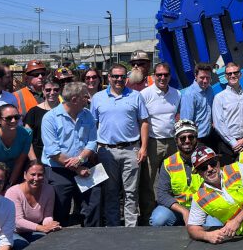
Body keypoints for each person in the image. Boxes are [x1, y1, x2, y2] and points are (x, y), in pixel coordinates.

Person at [90, 63, 149, 227]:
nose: (119, 79)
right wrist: (93, 150)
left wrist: (143, 147)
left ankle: (131, 227)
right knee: (110, 191)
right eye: (115, 76)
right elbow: (92, 125)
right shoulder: (98, 98)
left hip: (131, 149)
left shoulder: (136, 96)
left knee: (131, 192)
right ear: (108, 78)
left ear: (126, 78)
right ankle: (113, 226)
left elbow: (144, 122)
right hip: (106, 151)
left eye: (122, 76)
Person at [41, 82, 100, 227]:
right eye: (85, 97)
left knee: (93, 204)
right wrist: (77, 168)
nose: (88, 99)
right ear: (74, 99)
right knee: (60, 209)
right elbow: (53, 152)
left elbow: (92, 142)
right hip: (58, 170)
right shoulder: (50, 118)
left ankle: (93, 238)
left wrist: (80, 159)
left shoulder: (87, 115)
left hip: (84, 166)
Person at [151, 120, 217, 227]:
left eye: (191, 137)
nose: (187, 141)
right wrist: (184, 212)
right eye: (182, 138)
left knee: (215, 224)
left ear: (196, 139)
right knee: (158, 219)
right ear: (176, 141)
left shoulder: (208, 158)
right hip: (179, 209)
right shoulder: (168, 163)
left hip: (205, 207)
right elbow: (162, 195)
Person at [138, 62, 181, 225]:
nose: (162, 78)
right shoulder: (145, 94)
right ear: (154, 76)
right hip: (152, 142)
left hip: (171, 141)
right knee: (148, 181)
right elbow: (141, 120)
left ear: (170, 76)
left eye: (166, 75)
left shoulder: (176, 94)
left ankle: (170, 210)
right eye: (159, 75)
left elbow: (176, 116)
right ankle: (147, 215)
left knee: (173, 177)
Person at [5, 160, 61, 249]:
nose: (36, 178)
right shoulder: (13, 192)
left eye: (40, 175)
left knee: (50, 241)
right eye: (33, 174)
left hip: (32, 230)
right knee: (23, 245)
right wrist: (42, 228)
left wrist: (51, 225)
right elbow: (18, 221)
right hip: (11, 231)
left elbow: (47, 215)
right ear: (25, 175)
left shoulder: (49, 190)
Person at [212, 62, 243, 165]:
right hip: (227, 146)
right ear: (225, 76)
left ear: (240, 74)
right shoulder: (219, 98)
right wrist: (233, 142)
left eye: (235, 73)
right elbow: (218, 123)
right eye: (229, 74)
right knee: (230, 177)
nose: (233, 75)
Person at [180, 63, 217, 149]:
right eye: (202, 77)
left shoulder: (210, 90)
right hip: (196, 139)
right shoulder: (189, 94)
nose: (205, 81)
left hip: (209, 136)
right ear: (195, 76)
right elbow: (186, 121)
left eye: (208, 78)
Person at [24, 77, 61, 161]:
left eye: (56, 90)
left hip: (61, 158)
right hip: (38, 157)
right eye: (48, 90)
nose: (52, 93)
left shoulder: (66, 111)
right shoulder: (33, 112)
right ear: (43, 90)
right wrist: (33, 160)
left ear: (60, 91)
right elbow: (27, 139)